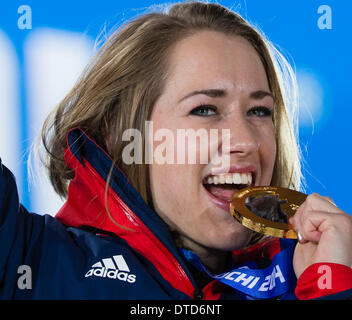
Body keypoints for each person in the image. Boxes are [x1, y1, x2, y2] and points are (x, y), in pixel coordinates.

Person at [1, 1, 352, 300]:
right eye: (205, 109)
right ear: (120, 135)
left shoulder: (316, 270)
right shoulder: (28, 258)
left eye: (259, 111)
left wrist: (333, 288)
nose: (246, 141)